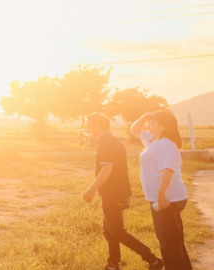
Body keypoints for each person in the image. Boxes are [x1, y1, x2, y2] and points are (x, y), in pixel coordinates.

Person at [80, 113, 163, 270]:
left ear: (98, 126)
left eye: (90, 125)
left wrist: (91, 190)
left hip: (113, 193)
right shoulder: (111, 141)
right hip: (116, 192)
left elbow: (106, 170)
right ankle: (113, 264)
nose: (88, 128)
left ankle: (153, 260)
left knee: (116, 231)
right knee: (109, 230)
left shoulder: (107, 144)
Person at [130, 110, 191, 270]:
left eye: (153, 122)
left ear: (163, 126)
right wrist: (144, 117)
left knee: (168, 242)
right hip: (163, 198)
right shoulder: (153, 140)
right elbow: (134, 130)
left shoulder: (165, 144)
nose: (150, 124)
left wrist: (161, 193)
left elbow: (168, 169)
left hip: (167, 198)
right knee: (173, 240)